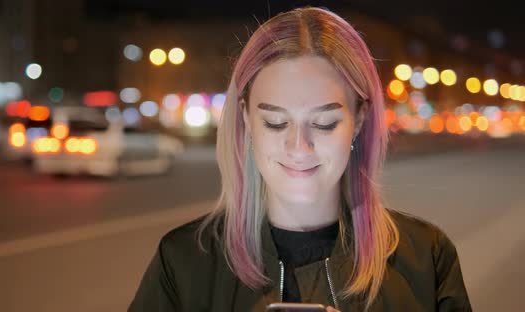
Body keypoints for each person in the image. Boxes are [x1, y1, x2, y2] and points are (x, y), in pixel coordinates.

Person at [129, 6, 472, 312]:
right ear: (246, 118)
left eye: (324, 123)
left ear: (360, 119)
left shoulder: (427, 258)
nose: (299, 147)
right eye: (276, 122)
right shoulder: (183, 263)